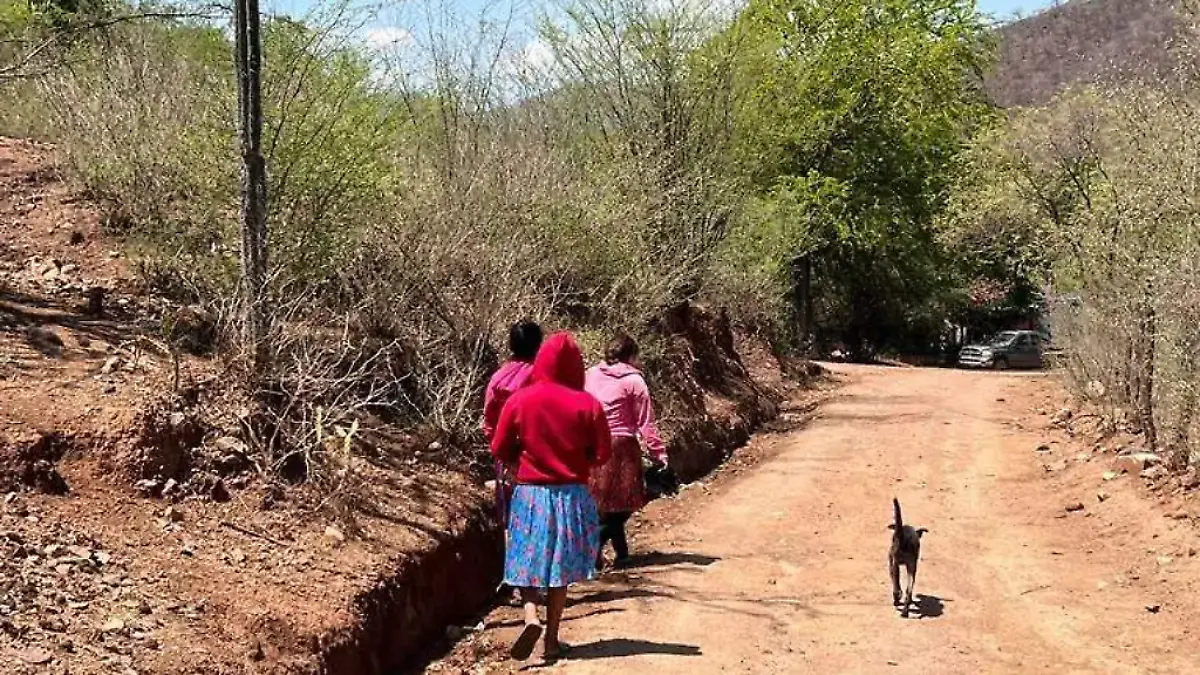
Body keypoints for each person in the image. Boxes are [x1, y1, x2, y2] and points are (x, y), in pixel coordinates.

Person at [491, 332, 612, 662]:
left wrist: (521, 459)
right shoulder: (588, 404)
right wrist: (581, 458)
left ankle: (531, 616)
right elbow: (602, 453)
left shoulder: (521, 399)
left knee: (525, 561)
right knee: (558, 572)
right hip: (571, 496)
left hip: (530, 494)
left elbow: (499, 447)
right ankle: (552, 643)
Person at [586, 333, 668, 570]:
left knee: (605, 502)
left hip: (593, 444)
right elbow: (646, 423)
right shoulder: (635, 382)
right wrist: (658, 453)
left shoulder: (589, 375)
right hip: (621, 447)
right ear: (631, 356)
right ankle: (594, 547)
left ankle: (622, 554)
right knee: (625, 503)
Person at [483, 321, 543, 525]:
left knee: (509, 511)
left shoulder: (499, 376)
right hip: (534, 454)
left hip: (505, 450)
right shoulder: (540, 377)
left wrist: (497, 445)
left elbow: (489, 416)